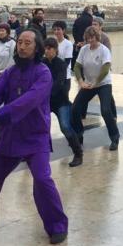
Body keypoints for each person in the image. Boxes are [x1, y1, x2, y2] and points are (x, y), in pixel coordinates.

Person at [0, 30, 69, 244]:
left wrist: (0, 114)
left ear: (37, 47)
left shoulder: (43, 73)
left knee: (42, 180)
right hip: (11, 135)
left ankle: (58, 226)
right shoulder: (11, 72)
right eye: (20, 43)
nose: (22, 47)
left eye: (27, 43)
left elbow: (30, 100)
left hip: (35, 137)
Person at [71, 26, 119, 151]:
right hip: (88, 84)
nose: (90, 41)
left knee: (105, 110)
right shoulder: (84, 49)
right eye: (88, 39)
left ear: (97, 37)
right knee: (75, 108)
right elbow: (77, 66)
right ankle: (79, 135)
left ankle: (114, 137)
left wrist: (96, 82)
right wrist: (81, 81)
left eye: (92, 38)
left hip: (103, 84)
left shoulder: (104, 50)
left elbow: (105, 68)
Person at [43, 37, 82, 167]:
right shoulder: (42, 63)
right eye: (46, 48)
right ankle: (33, 153)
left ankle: (78, 153)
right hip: (45, 101)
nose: (47, 51)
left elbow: (59, 83)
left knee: (65, 126)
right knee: (38, 125)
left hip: (60, 101)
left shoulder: (61, 64)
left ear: (55, 50)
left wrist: (45, 92)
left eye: (50, 48)